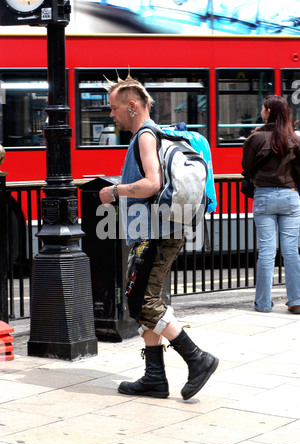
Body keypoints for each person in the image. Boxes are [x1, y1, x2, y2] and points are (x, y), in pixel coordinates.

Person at [99, 74, 219, 400]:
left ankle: (197, 359)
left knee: (141, 301)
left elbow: (152, 183)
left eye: (114, 108)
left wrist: (113, 191)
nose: (111, 114)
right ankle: (154, 377)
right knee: (145, 300)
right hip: (157, 229)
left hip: (155, 231)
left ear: (132, 105)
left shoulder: (145, 136)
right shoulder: (154, 133)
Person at [242, 95, 300, 314]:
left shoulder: (256, 138)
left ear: (269, 112)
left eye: (264, 108)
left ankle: (264, 304)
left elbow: (246, 166)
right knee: (291, 251)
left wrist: (254, 135)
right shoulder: (294, 139)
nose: (262, 111)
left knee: (267, 251)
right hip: (290, 197)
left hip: (264, 196)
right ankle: (296, 301)